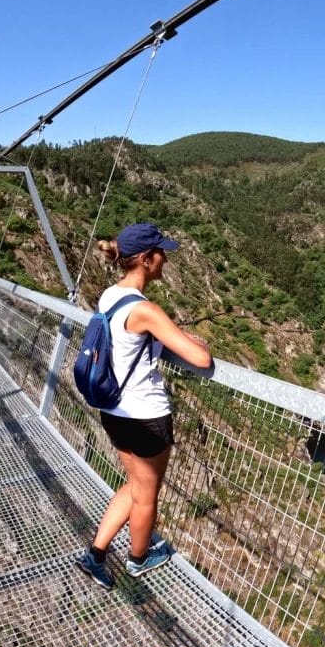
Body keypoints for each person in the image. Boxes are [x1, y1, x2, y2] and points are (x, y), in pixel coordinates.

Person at [76, 222, 212, 589]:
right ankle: (139, 558)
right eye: (161, 253)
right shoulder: (146, 309)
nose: (165, 259)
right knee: (148, 492)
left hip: (113, 412)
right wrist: (193, 341)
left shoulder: (109, 296)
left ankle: (97, 553)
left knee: (136, 483)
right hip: (146, 416)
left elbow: (127, 342)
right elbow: (200, 359)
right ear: (147, 259)